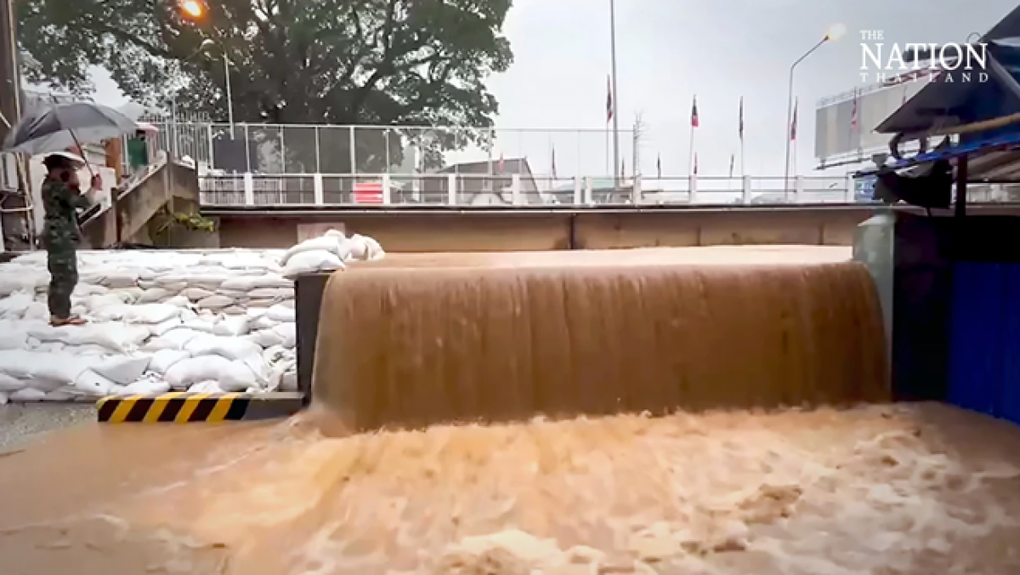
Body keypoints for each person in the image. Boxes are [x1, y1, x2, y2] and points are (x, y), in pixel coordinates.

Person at [41, 152, 101, 326]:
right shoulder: (56, 187)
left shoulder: (51, 185)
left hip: (58, 234)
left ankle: (58, 312)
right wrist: (94, 188)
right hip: (60, 235)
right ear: (59, 170)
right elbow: (81, 203)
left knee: (60, 275)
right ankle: (60, 315)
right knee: (66, 275)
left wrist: (73, 185)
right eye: (68, 169)